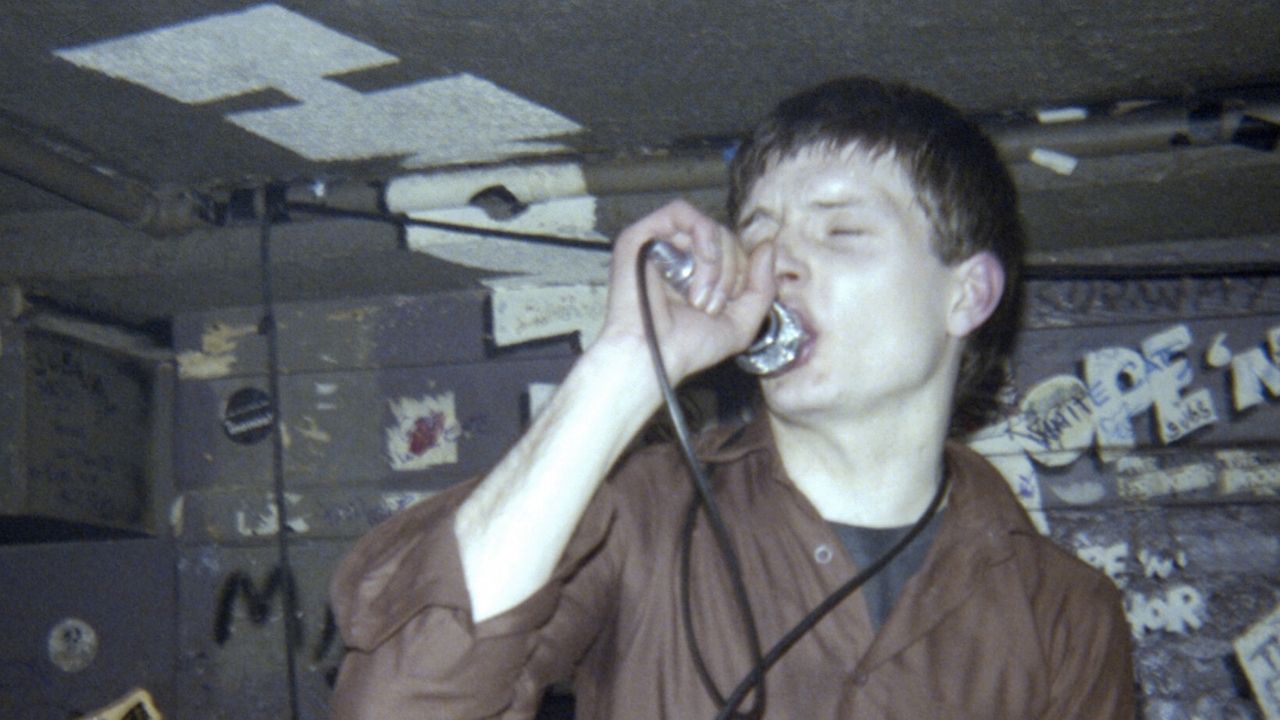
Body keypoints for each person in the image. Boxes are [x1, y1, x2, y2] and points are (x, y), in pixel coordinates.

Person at [328, 77, 1136, 719]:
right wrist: (624, 369)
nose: (776, 264)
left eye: (840, 231)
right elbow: (404, 701)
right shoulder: (640, 517)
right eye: (758, 233)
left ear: (967, 295)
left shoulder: (1061, 610)